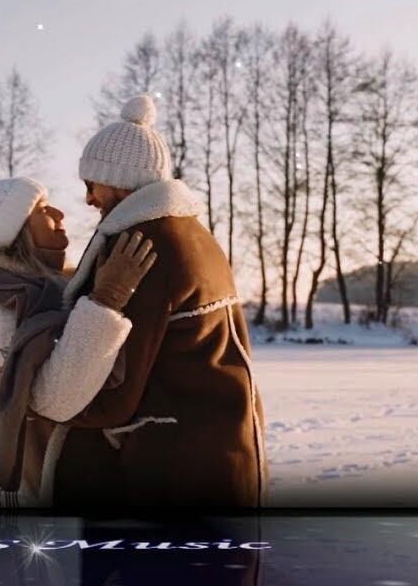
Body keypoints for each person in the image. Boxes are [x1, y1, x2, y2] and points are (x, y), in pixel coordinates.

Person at [53, 93, 269, 511]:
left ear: (117, 180)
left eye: (91, 184)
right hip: (223, 450)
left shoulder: (139, 247)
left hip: (171, 470)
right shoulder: (193, 235)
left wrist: (42, 400)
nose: (88, 199)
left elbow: (114, 392)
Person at [0, 175, 157, 506]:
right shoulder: (3, 313)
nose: (59, 213)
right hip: (50, 476)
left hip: (93, 462)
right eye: (42, 209)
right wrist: (108, 297)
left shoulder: (65, 287)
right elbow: (50, 397)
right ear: (17, 233)